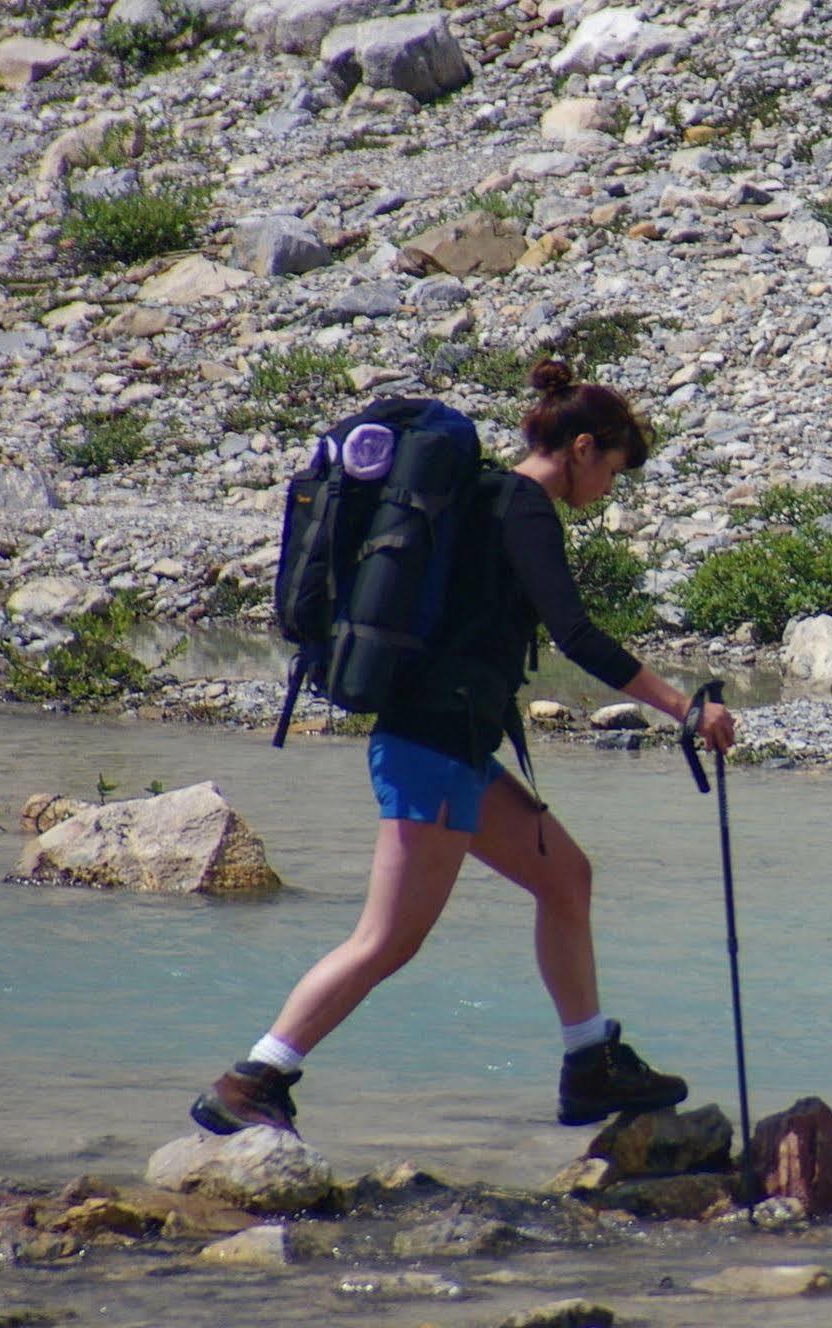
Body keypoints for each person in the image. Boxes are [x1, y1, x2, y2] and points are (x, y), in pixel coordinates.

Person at [192, 359, 736, 1136]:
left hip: (454, 743)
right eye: (613, 468)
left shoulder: (482, 496)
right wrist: (684, 709)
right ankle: (254, 1078)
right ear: (583, 448)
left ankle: (589, 1064)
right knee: (387, 939)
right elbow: (575, 634)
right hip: (432, 746)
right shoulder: (522, 507)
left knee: (566, 878)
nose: (610, 488)